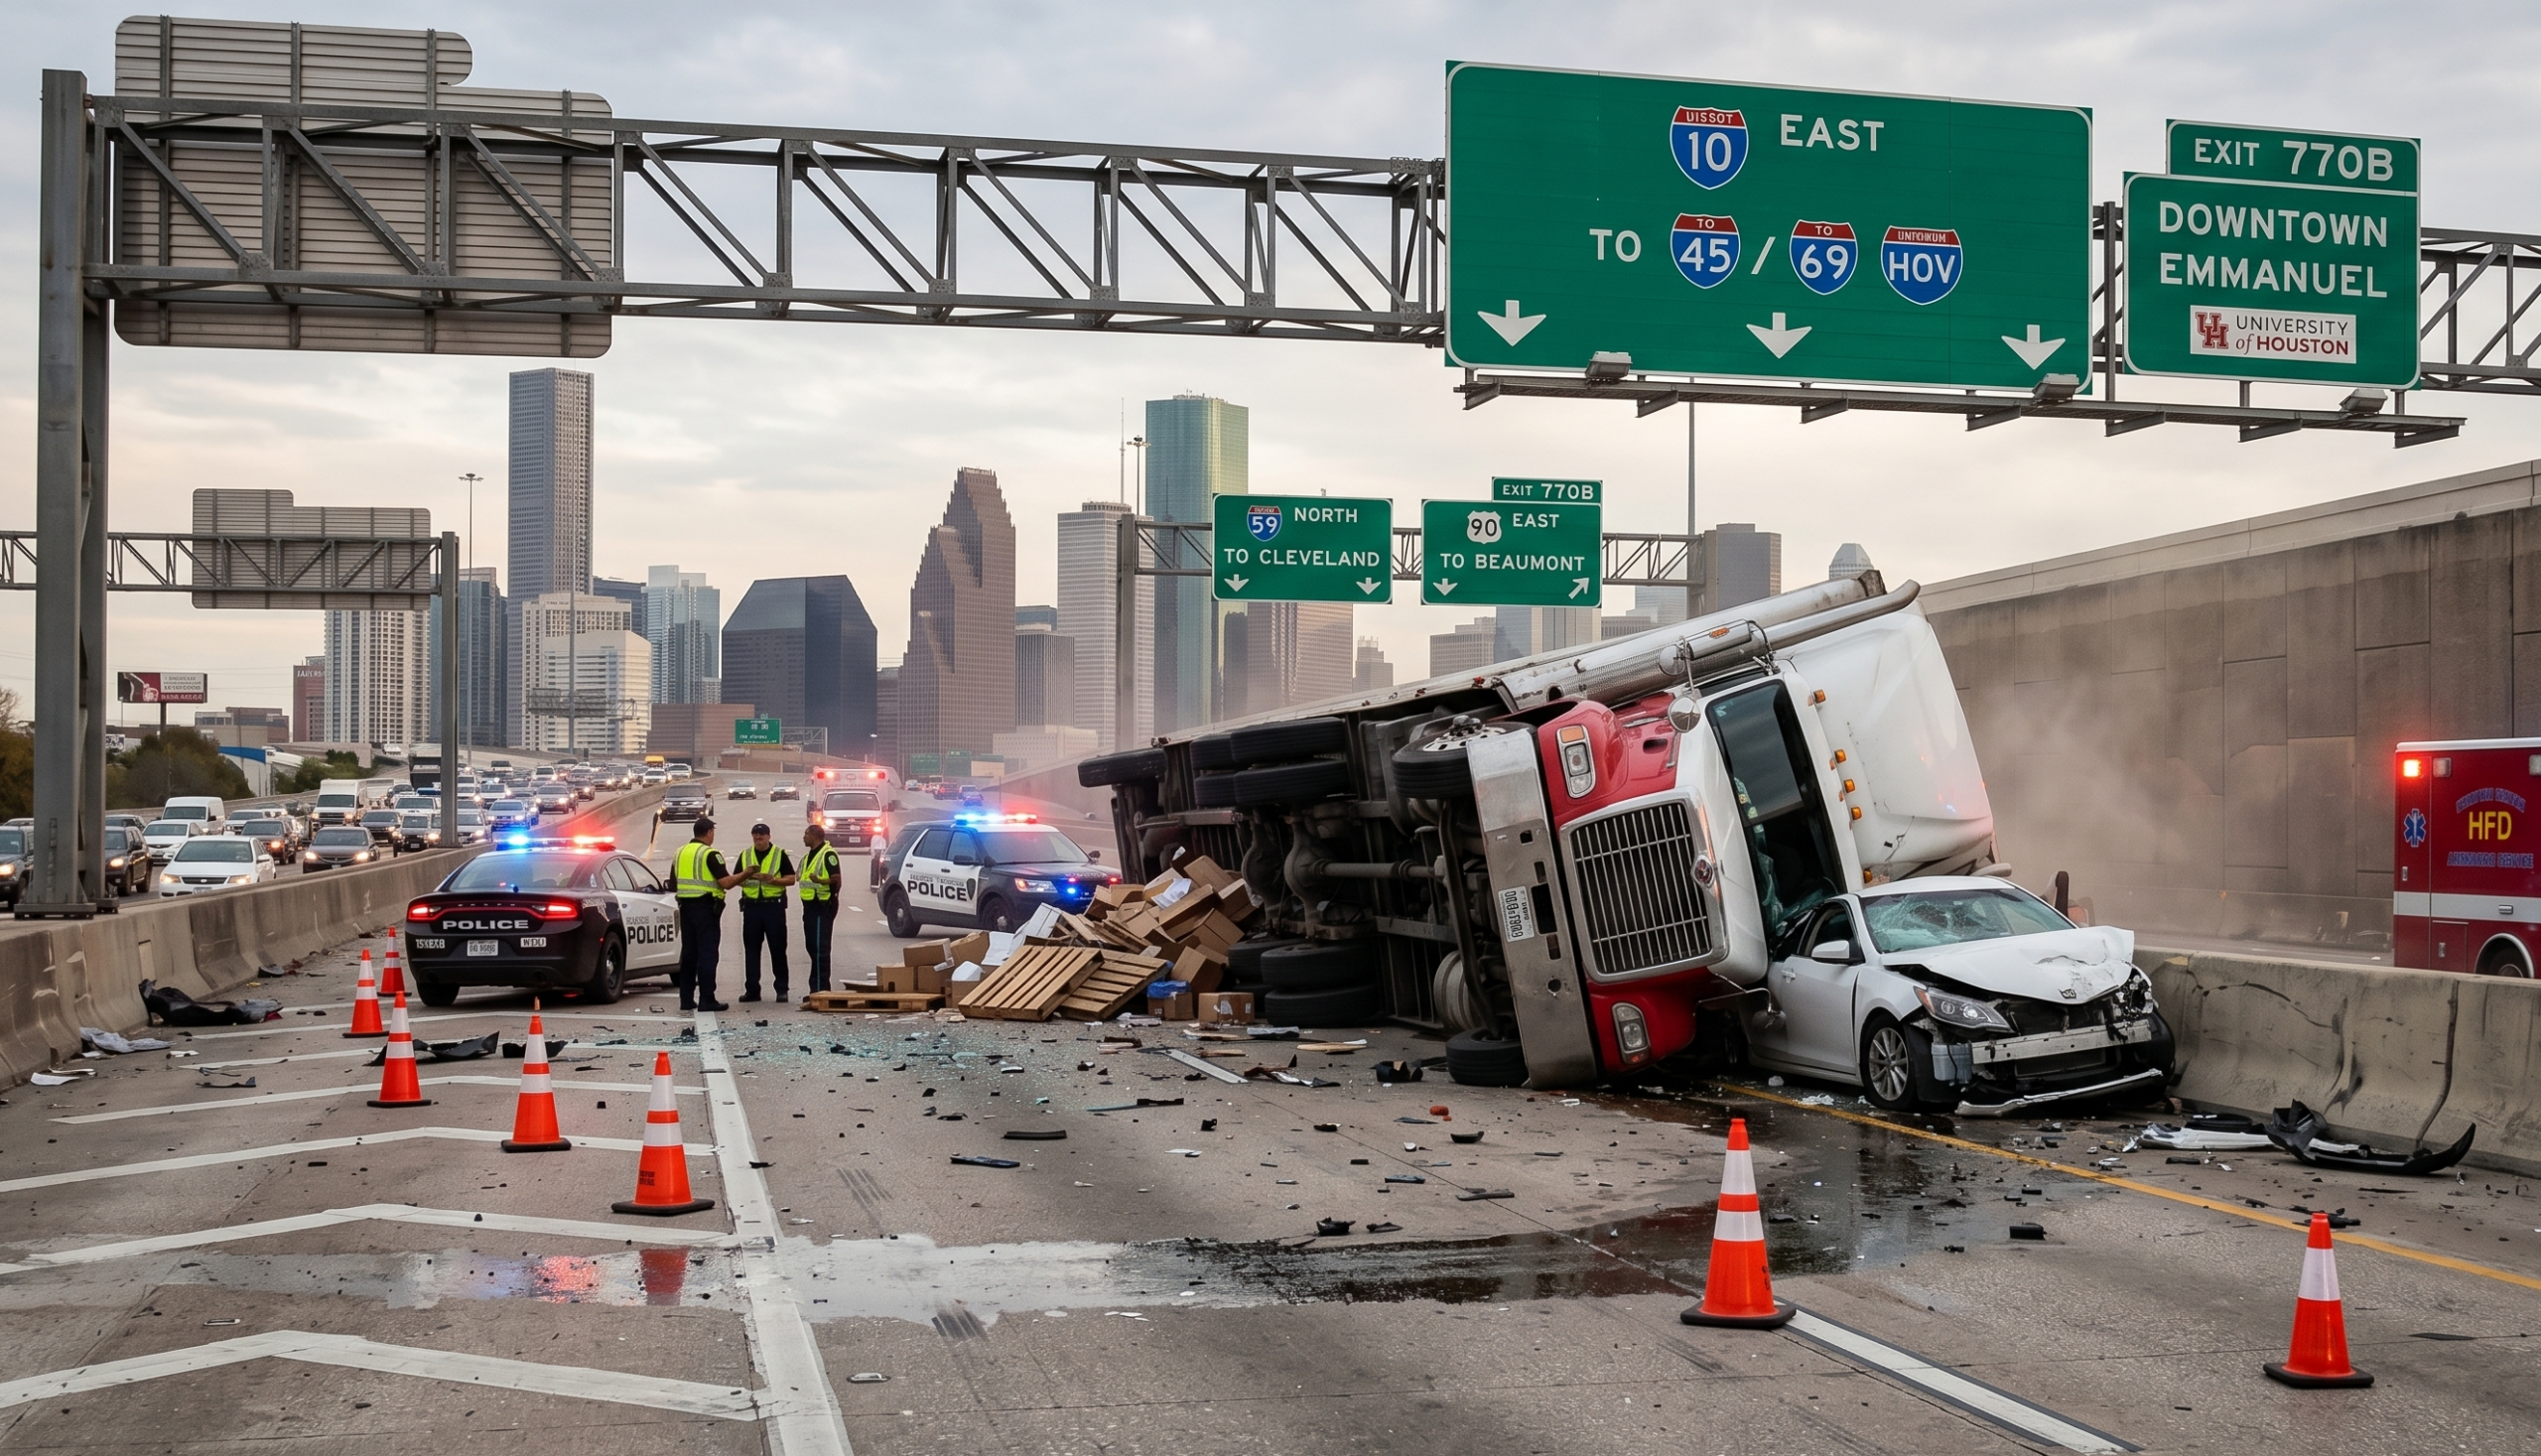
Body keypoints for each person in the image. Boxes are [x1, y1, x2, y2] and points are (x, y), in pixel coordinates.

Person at [670, 817, 746, 1011]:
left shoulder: (679, 852)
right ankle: (707, 999)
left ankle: (686, 1000)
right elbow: (726, 882)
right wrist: (745, 874)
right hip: (705, 909)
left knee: (689, 955)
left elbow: (672, 884)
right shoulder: (710, 854)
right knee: (707, 955)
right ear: (709, 832)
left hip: (685, 908)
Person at [735, 821, 797, 1002]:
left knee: (777, 949)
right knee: (751, 951)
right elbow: (735, 879)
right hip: (752, 907)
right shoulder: (746, 855)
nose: (758, 840)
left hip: (773, 908)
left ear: (769, 837)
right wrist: (746, 874)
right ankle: (752, 990)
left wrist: (773, 880)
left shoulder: (779, 854)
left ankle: (782, 989)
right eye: (755, 837)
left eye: (761, 837)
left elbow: (792, 879)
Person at [798, 821, 843, 996]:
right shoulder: (809, 855)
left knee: (820, 948)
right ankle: (815, 987)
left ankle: (820, 989)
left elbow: (836, 879)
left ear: (815, 836)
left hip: (822, 905)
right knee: (812, 947)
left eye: (806, 833)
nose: (804, 836)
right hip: (809, 906)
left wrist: (820, 881)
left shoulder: (828, 854)